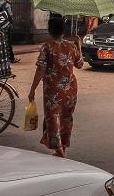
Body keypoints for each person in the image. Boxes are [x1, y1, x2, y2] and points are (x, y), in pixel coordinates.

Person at [28, 16, 83, 158]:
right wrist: (79, 46)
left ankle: (59, 149)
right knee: (66, 117)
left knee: (53, 117)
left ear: (50, 30)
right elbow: (80, 64)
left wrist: (32, 89)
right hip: (70, 88)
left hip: (53, 89)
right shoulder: (71, 46)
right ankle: (63, 145)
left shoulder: (47, 47)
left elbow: (40, 69)